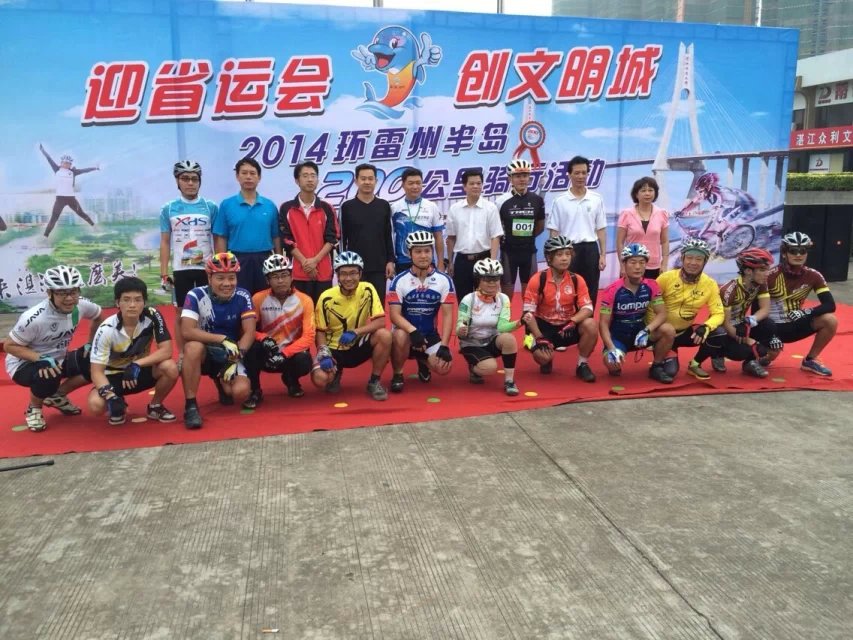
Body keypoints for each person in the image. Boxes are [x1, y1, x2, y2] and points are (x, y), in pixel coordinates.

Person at [4, 265, 104, 431]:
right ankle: (34, 408)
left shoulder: (81, 305)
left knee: (97, 360)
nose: (69, 298)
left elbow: (99, 317)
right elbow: (9, 346)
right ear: (49, 293)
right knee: (49, 371)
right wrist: (40, 358)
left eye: (73, 292)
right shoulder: (34, 318)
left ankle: (57, 395)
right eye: (62, 293)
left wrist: (91, 343)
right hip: (23, 364)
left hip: (59, 359)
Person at [180, 252, 256, 429]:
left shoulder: (243, 295)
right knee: (192, 347)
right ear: (209, 277)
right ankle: (190, 406)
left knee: (240, 392)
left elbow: (249, 332)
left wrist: (234, 360)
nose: (227, 283)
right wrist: (222, 339)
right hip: (205, 352)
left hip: (230, 355)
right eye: (220, 278)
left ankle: (221, 382)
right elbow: (187, 331)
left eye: (231, 278)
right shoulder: (195, 295)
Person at [87, 277, 179, 425]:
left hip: (139, 371)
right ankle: (118, 402)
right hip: (114, 377)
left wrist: (136, 364)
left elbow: (166, 351)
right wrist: (110, 396)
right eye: (126, 300)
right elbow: (96, 372)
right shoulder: (106, 329)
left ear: (144, 302)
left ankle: (155, 406)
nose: (132, 305)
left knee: (170, 367)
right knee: (96, 405)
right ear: (117, 302)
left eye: (137, 300)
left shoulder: (153, 316)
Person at [311, 251, 392, 401]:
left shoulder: (368, 289)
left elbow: (381, 321)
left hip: (356, 344)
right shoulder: (326, 297)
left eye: (353, 273)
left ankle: (374, 382)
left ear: (360, 274)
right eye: (343, 274)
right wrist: (323, 352)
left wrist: (356, 332)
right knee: (320, 379)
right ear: (337, 275)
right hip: (334, 348)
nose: (348, 278)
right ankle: (336, 372)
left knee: (385, 335)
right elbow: (320, 330)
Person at [159, 160, 218, 356]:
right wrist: (163, 273)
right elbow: (165, 242)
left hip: (206, 268)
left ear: (200, 181)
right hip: (180, 269)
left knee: (208, 310)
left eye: (194, 179)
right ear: (177, 181)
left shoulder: (210, 206)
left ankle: (209, 352)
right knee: (180, 313)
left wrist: (219, 265)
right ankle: (183, 355)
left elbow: (217, 238)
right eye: (185, 178)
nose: (190, 183)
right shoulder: (168, 208)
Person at [520, 235, 598, 382]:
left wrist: (573, 321)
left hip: (567, 326)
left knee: (591, 325)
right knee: (543, 358)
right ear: (549, 258)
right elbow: (528, 314)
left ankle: (582, 365)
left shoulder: (577, 279)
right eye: (559, 254)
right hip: (543, 327)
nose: (565, 258)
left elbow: (588, 308)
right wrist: (539, 337)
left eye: (568, 254)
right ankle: (544, 354)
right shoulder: (538, 279)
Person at [388, 231, 456, 393]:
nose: (423, 256)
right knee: (400, 335)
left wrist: (444, 345)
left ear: (432, 252)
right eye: (418, 251)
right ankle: (398, 374)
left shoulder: (444, 280)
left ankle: (422, 359)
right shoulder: (400, 280)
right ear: (409, 253)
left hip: (429, 333)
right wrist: (413, 332)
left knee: (444, 367)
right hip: (406, 332)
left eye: (427, 251)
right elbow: (394, 315)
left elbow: (448, 315)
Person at [598, 244, 675, 383]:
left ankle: (656, 367)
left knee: (668, 330)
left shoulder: (652, 285)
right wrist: (611, 348)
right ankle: (616, 356)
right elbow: (603, 323)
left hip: (641, 334)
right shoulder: (611, 290)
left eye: (642, 262)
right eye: (633, 262)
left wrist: (647, 330)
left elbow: (662, 313)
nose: (638, 267)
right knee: (613, 365)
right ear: (624, 264)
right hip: (618, 337)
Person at [245, 254, 315, 405]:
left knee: (304, 361)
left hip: (291, 353)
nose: (281, 280)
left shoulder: (305, 300)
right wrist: (262, 338)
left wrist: (285, 354)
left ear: (291, 276)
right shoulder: (258, 298)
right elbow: (246, 329)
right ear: (267, 280)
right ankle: (255, 390)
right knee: (251, 348)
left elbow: (309, 336)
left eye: (284, 275)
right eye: (275, 276)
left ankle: (291, 380)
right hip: (268, 351)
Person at [652, 238, 725, 380]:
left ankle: (695, 364)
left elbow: (718, 313)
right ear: (682, 258)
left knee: (719, 333)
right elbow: (650, 307)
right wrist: (653, 332)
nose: (693, 263)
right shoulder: (665, 278)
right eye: (689, 258)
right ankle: (660, 351)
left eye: (698, 259)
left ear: (705, 262)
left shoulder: (710, 284)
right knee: (670, 372)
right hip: (664, 334)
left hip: (685, 332)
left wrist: (706, 326)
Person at [766, 232, 838, 376]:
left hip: (795, 323)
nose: (798, 255)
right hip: (771, 327)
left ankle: (810, 360)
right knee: (770, 355)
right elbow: (757, 308)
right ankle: (759, 357)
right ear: (784, 253)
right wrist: (768, 333)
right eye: (793, 251)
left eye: (803, 251)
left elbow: (830, 305)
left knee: (830, 320)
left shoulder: (814, 275)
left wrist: (805, 312)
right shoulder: (770, 275)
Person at [213, 157, 281, 294]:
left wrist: (278, 261)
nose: (248, 177)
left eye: (252, 173)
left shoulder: (270, 206)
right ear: (237, 176)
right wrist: (222, 265)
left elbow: (276, 237)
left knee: (265, 298)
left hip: (265, 259)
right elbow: (222, 237)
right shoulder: (227, 205)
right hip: (238, 260)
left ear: (259, 177)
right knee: (239, 297)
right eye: (244, 173)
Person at [546, 155, 606, 306]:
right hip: (568, 250)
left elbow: (601, 229)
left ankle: (588, 319)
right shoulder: (559, 201)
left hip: (590, 249)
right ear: (569, 175)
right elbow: (554, 232)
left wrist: (603, 255)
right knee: (568, 288)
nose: (581, 176)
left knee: (590, 289)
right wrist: (553, 256)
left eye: (584, 173)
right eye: (577, 173)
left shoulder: (596, 199)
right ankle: (569, 319)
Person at [456, 258, 521, 396]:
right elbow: (460, 325)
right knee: (490, 368)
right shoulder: (469, 299)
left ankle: (509, 381)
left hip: (491, 340)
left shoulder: (503, 298)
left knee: (509, 339)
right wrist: (461, 329)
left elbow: (502, 327)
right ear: (478, 280)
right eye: (487, 279)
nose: (492, 283)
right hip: (471, 343)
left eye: (495, 279)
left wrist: (518, 323)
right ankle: (474, 368)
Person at [714, 248, 780, 378]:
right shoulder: (729, 290)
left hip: (740, 323)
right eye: (762, 270)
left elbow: (765, 309)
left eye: (767, 269)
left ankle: (750, 363)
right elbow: (725, 324)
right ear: (748, 271)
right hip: (723, 329)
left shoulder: (760, 283)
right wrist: (751, 341)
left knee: (769, 325)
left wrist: (749, 321)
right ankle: (717, 353)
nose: (767, 273)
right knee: (742, 351)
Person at [279, 161, 339, 303]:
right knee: (299, 310)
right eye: (305, 176)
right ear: (297, 180)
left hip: (323, 271)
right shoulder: (286, 208)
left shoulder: (327, 208)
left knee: (323, 310)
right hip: (297, 272)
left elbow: (333, 237)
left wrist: (315, 261)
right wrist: (305, 263)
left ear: (317, 180)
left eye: (313, 175)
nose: (310, 179)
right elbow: (286, 239)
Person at [340, 163, 395, 307]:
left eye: (371, 179)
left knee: (377, 306)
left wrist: (390, 261)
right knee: (355, 307)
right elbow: (342, 239)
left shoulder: (384, 205)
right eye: (363, 179)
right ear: (356, 181)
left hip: (379, 266)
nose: (367, 182)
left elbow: (388, 235)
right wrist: (343, 265)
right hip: (354, 268)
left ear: (376, 181)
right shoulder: (346, 207)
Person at [445, 168, 503, 301]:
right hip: (462, 262)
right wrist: (451, 262)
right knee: (463, 300)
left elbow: (495, 237)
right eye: (472, 183)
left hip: (484, 259)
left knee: (485, 300)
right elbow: (451, 238)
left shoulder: (490, 208)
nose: (476, 186)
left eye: (478, 183)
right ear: (464, 186)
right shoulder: (455, 209)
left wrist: (492, 262)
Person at [496, 158, 546, 299]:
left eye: (525, 175)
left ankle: (527, 314)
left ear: (529, 177)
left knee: (530, 293)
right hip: (508, 252)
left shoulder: (537, 200)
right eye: (517, 176)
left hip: (529, 252)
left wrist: (526, 238)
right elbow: (496, 229)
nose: (522, 179)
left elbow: (540, 226)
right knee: (506, 295)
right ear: (510, 179)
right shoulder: (501, 201)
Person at [390, 167, 445, 274]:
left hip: (427, 261)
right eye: (411, 183)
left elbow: (438, 236)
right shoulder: (394, 208)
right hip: (402, 261)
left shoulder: (431, 206)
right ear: (403, 185)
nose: (415, 187)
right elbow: (390, 238)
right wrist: (391, 262)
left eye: (418, 183)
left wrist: (440, 263)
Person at [39, 144, 99, 238]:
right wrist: (42, 150)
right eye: (65, 163)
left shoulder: (73, 172)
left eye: (68, 163)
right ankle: (45, 236)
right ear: (61, 163)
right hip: (60, 199)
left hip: (71, 198)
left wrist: (95, 168)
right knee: (54, 218)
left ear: (70, 164)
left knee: (81, 213)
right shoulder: (57, 169)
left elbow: (85, 170)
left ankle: (94, 226)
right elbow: (49, 159)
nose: (66, 164)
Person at [616, 177, 669, 279]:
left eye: (650, 190)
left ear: (655, 193)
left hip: (654, 266)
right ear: (636, 194)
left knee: (652, 290)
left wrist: (664, 263)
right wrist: (622, 265)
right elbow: (620, 242)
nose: (647, 193)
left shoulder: (662, 213)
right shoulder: (626, 214)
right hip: (631, 264)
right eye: (643, 190)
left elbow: (665, 241)